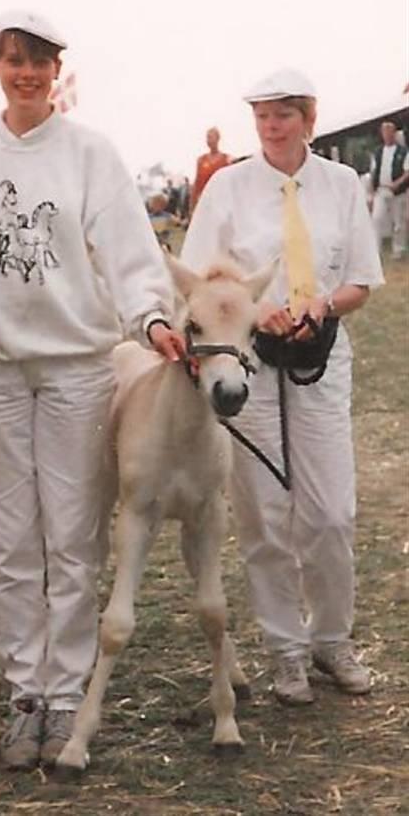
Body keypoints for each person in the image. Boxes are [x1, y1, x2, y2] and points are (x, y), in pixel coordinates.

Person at [0, 10, 184, 769]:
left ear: (56, 72)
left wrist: (153, 317)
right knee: (7, 542)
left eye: (39, 60)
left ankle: (67, 693)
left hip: (75, 363)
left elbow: (131, 253)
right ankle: (25, 696)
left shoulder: (90, 154)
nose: (27, 73)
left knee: (71, 535)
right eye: (14, 59)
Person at [180, 68, 384, 706]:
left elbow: (361, 279)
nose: (272, 127)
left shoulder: (342, 185)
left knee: (329, 513)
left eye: (284, 115)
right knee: (265, 512)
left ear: (308, 118)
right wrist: (252, 306)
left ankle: (332, 640)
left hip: (320, 357)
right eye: (263, 115)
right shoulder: (228, 187)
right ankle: (285, 652)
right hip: (249, 364)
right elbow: (199, 278)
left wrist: (322, 308)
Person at [368, 121, 409, 260]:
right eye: (384, 132)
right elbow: (373, 171)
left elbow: (407, 172)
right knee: (376, 218)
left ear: (394, 133)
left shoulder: (403, 151)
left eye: (389, 131)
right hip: (381, 189)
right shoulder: (378, 152)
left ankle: (398, 249)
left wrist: (397, 183)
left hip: (398, 192)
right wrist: (371, 190)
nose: (387, 135)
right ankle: (375, 249)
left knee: (398, 222)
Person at [190, 126, 230, 215]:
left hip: (222, 202)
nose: (208, 140)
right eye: (207, 137)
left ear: (218, 139)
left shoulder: (226, 159)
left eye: (211, 137)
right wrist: (192, 208)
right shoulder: (201, 160)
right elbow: (197, 184)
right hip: (205, 202)